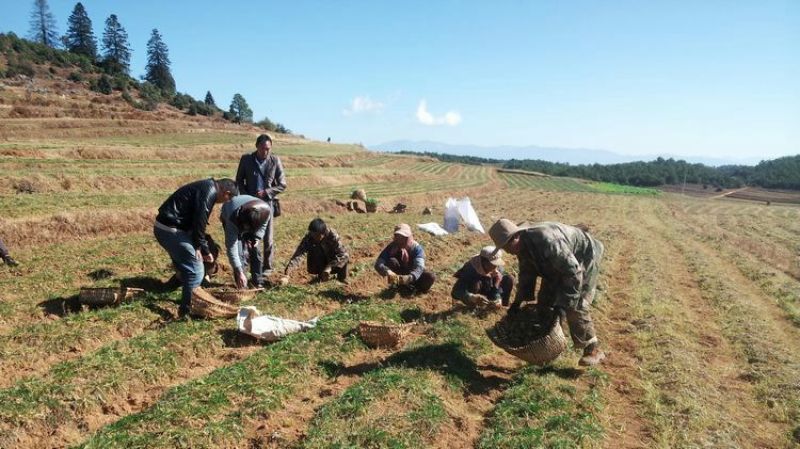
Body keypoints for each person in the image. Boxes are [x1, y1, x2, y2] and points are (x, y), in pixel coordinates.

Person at [489, 218, 606, 366]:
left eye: (507, 247)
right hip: (557, 264)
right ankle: (550, 346)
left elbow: (573, 272)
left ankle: (593, 348)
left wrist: (564, 303)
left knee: (576, 304)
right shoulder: (522, 248)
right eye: (504, 249)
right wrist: (516, 303)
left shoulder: (548, 241)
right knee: (544, 301)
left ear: (516, 237)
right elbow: (527, 275)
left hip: (584, 256)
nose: (508, 252)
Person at [154, 178, 238, 317]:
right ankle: (187, 310)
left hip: (171, 227)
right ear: (226, 193)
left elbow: (196, 222)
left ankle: (174, 285)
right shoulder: (209, 192)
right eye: (228, 199)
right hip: (170, 230)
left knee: (191, 262)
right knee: (196, 270)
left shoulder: (207, 187)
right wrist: (201, 249)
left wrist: (202, 246)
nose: (226, 202)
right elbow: (199, 222)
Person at [235, 134, 287, 276]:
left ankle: (268, 267)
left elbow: (282, 184)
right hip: (249, 204)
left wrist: (266, 192)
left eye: (268, 149)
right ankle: (245, 265)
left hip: (267, 204)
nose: (266, 152)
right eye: (263, 148)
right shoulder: (246, 160)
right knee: (248, 235)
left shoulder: (275, 161)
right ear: (257, 146)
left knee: (268, 237)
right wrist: (246, 196)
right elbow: (239, 180)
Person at [220, 195, 271, 288]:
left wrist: (257, 238)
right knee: (239, 253)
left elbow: (263, 226)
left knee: (256, 250)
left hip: (250, 222)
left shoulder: (265, 211)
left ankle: (258, 281)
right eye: (245, 227)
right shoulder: (232, 220)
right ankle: (242, 283)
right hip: (229, 215)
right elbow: (232, 248)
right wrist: (239, 271)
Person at [281, 218, 350, 284]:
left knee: (345, 256)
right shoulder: (309, 237)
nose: (314, 237)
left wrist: (330, 267)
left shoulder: (332, 235)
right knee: (314, 249)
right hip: (321, 260)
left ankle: (342, 278)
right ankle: (321, 276)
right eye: (312, 234)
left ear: (323, 233)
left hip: (332, 260)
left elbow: (343, 254)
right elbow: (299, 254)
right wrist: (288, 271)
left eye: (317, 235)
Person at [374, 223, 436, 293]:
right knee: (391, 261)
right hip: (398, 276)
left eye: (403, 238)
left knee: (430, 276)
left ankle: (415, 289)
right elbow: (378, 263)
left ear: (410, 237)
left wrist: (409, 278)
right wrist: (388, 272)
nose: (400, 241)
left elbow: (419, 267)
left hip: (412, 276)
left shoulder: (416, 248)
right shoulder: (391, 247)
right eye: (398, 237)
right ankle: (398, 286)